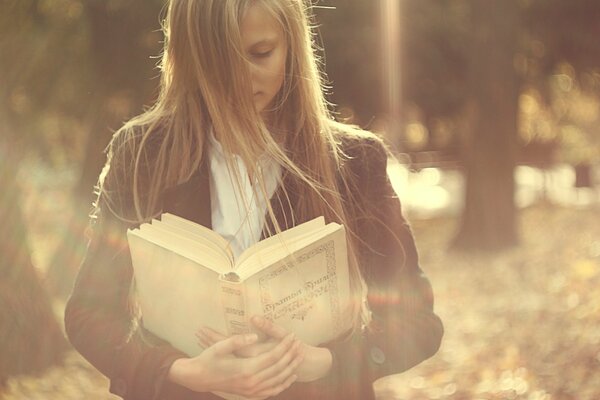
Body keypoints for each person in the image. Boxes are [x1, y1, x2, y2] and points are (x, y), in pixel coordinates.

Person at [64, 0, 443, 399]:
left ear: (292, 44)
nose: (240, 79)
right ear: (188, 58)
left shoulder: (352, 162)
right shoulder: (141, 154)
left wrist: (331, 362)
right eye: (218, 62)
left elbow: (417, 323)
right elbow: (88, 313)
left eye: (260, 53)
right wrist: (179, 370)